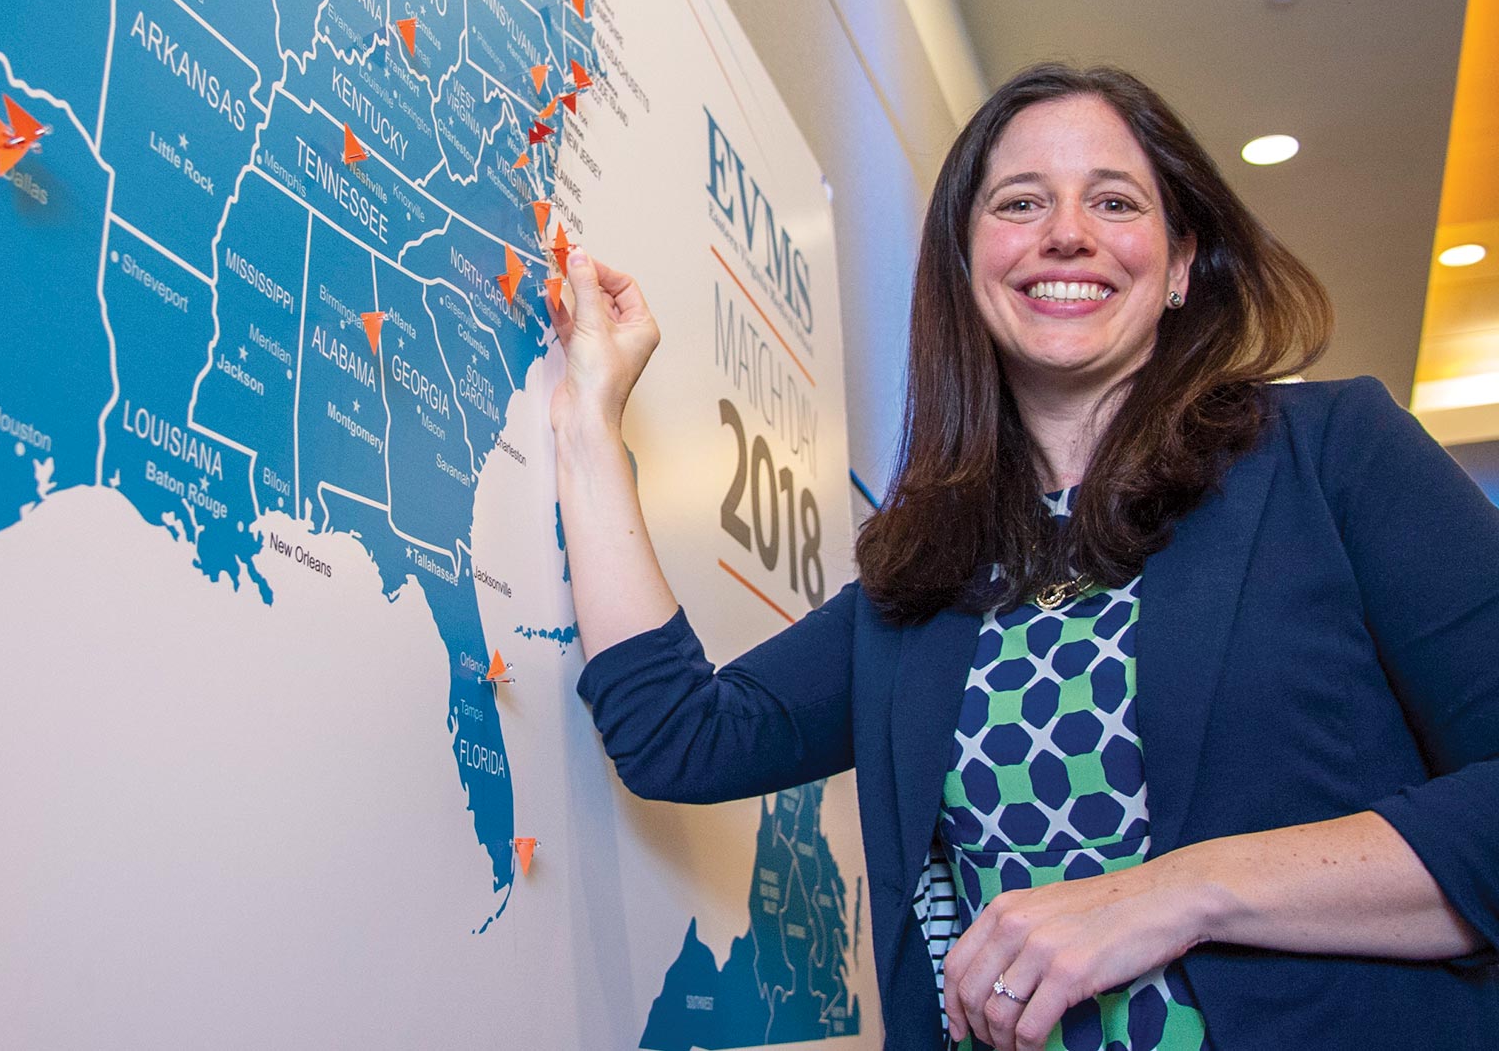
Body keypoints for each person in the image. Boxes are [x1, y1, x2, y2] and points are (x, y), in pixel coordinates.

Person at [552, 64, 1499, 1051]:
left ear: (1180, 263)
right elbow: (678, 737)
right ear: (964, 268)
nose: (1065, 232)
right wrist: (589, 422)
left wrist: (1176, 894)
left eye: (1113, 200)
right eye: (1019, 202)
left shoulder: (1330, 453)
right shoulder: (921, 577)